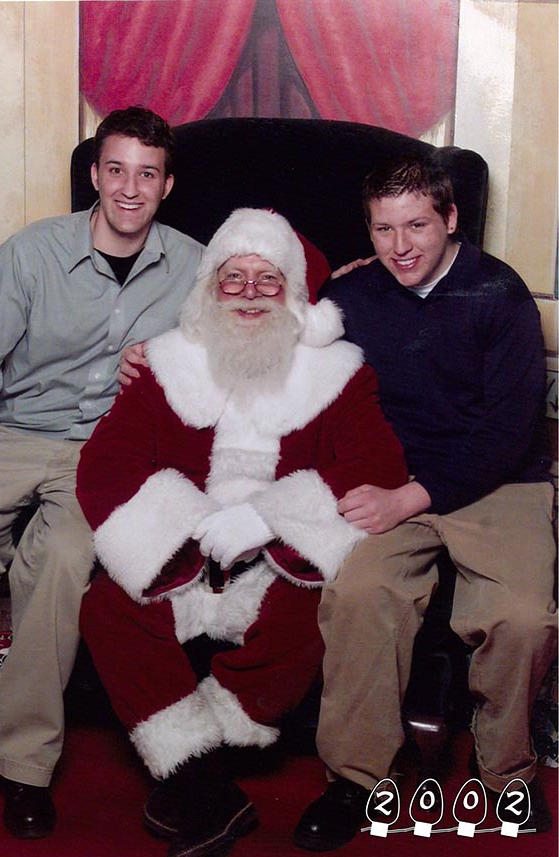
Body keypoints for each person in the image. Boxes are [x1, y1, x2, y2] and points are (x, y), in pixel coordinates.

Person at [75, 207, 408, 857]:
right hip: (186, 548)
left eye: (267, 279)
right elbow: (106, 462)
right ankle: (204, 782)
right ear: (209, 288)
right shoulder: (165, 364)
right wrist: (188, 531)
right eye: (233, 278)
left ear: (294, 295)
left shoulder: (339, 373)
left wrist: (269, 519)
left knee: (304, 616)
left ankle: (196, 769)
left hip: (279, 558)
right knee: (107, 607)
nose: (250, 293)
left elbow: (374, 464)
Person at [293, 155, 557, 850]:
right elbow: (282, 365)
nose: (400, 245)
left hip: (497, 480)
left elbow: (505, 431)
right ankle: (353, 778)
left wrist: (410, 497)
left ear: (450, 220)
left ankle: (506, 775)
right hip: (393, 475)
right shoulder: (353, 297)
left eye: (416, 225)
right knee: (358, 593)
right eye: (383, 229)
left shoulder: (498, 294)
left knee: (520, 616)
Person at [0, 106, 203, 838]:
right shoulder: (30, 255)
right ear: (94, 175)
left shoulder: (194, 266)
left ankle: (23, 763)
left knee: (60, 562)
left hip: (104, 449)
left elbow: (250, 342)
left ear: (166, 185)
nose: (130, 188)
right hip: (10, 430)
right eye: (116, 169)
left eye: (147, 174)